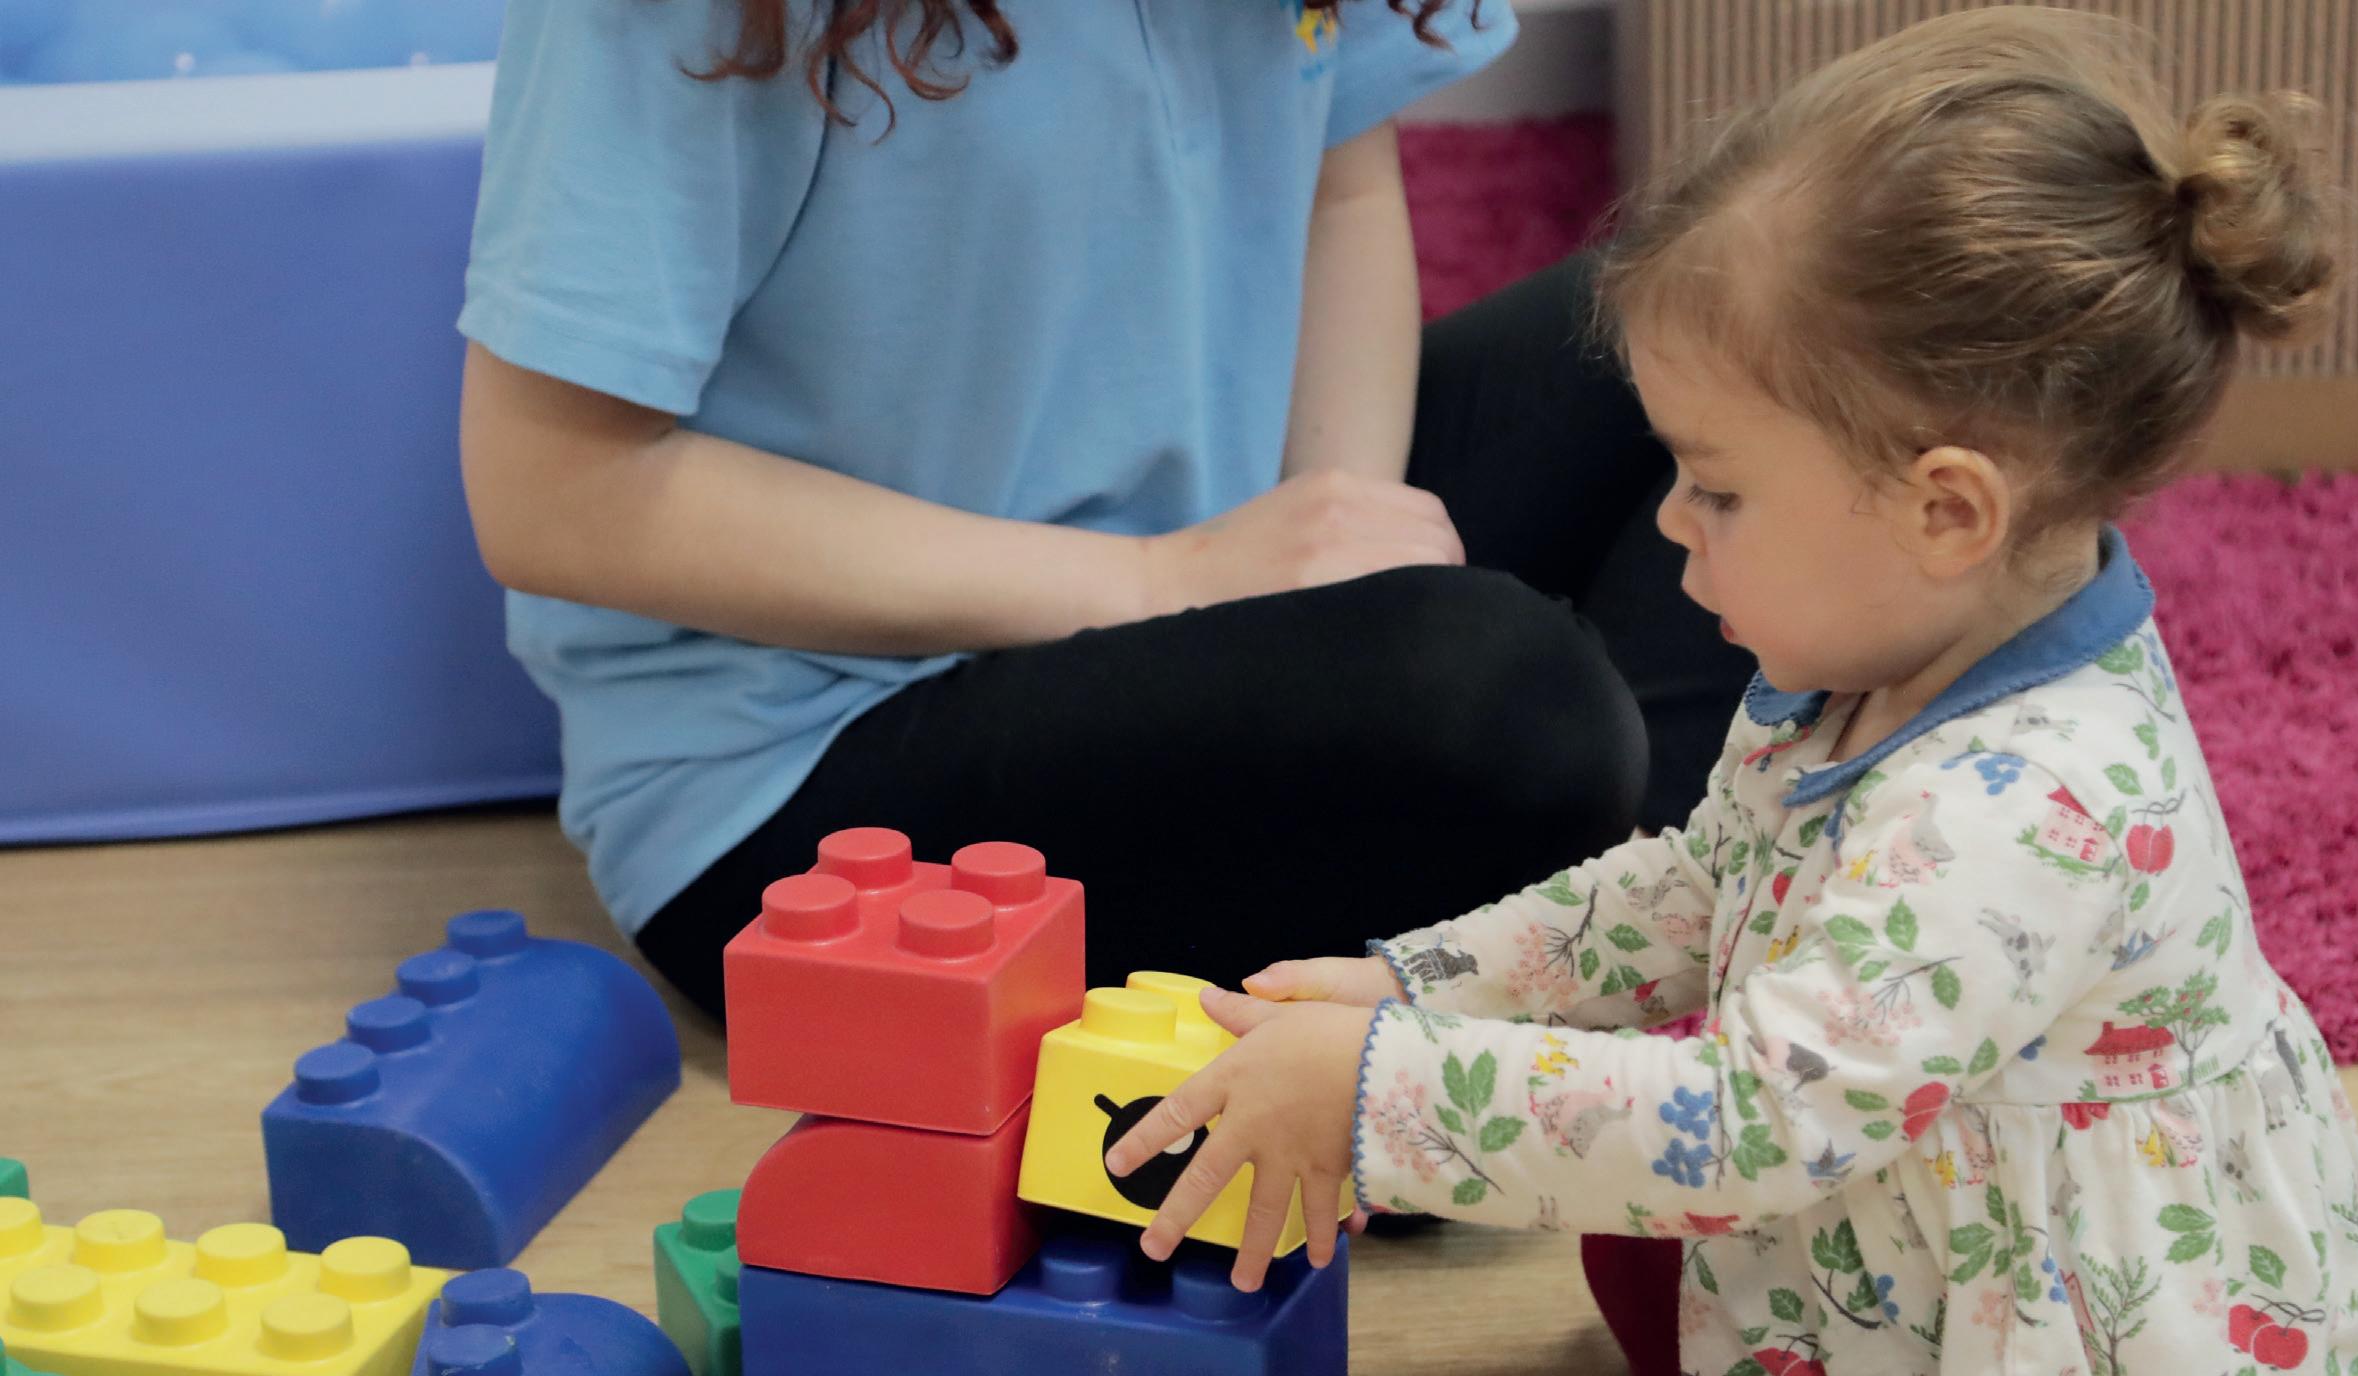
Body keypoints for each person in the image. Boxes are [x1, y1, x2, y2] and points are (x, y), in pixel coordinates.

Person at [1100, 10, 2358, 1376]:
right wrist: (1414, 986)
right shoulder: (1877, 656)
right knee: (1634, 1219)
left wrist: (1378, 1101)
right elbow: (1693, 891)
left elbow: (1751, 1122)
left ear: (1947, 511)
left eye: (1718, 489)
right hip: (1933, 1237)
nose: (1668, 523)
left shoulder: (2027, 806)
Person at [454, 0, 1756, 1014]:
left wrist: (1342, 544)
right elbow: (556, 493)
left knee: (1715, 325)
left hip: (1209, 575)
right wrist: (1164, 584)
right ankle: (1566, 952)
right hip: (814, 764)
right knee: (1507, 703)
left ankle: (1645, 916)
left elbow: (1338, 187)